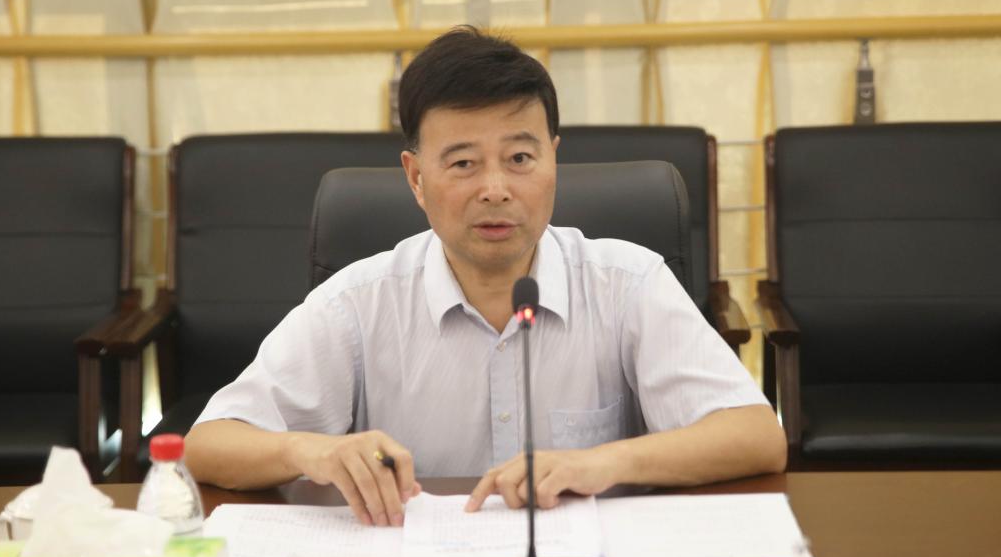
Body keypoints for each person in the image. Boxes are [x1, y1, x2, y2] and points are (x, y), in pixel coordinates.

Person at [184, 26, 786, 527]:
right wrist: (312, 450)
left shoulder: (627, 283)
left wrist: (602, 463)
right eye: (464, 163)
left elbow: (756, 436)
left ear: (553, 159)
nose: (495, 189)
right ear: (416, 178)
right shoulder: (358, 302)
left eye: (520, 158)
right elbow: (208, 445)